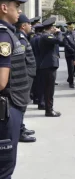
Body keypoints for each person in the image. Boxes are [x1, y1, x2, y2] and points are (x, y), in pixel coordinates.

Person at [0, 0, 29, 179]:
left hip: (11, 105)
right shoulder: (3, 35)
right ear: (4, 8)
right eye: (16, 5)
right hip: (7, 109)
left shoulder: (8, 33)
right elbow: (1, 82)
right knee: (4, 168)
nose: (19, 10)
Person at [14, 14, 37, 143]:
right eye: (29, 24)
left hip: (28, 76)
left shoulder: (23, 37)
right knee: (22, 105)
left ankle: (21, 127)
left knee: (23, 105)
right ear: (23, 26)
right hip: (25, 77)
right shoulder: (21, 39)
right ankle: (19, 132)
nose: (30, 26)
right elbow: (21, 60)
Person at [39, 17, 63, 117]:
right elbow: (60, 41)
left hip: (48, 65)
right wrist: (59, 32)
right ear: (51, 27)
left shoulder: (47, 36)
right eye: (54, 27)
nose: (55, 28)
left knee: (49, 88)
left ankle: (49, 108)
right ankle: (49, 110)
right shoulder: (46, 36)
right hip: (48, 65)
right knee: (49, 89)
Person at [63, 21, 75, 88]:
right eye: (70, 27)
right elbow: (66, 45)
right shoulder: (65, 35)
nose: (72, 29)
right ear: (68, 28)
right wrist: (74, 51)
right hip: (69, 54)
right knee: (71, 68)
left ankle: (70, 78)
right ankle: (71, 83)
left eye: (73, 27)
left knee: (74, 68)